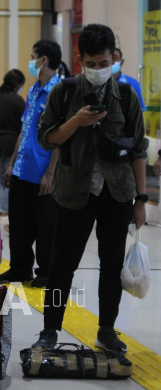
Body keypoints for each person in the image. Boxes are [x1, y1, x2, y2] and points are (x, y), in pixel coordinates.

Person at [33, 23, 148, 352]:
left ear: (114, 57)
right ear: (80, 59)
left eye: (104, 62)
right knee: (61, 266)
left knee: (111, 265)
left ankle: (107, 330)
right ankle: (50, 330)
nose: (98, 69)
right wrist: (75, 121)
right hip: (73, 193)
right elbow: (46, 139)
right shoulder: (64, 92)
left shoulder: (126, 95)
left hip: (117, 193)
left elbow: (138, 149)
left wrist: (141, 200)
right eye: (91, 64)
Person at [0, 41, 62, 288]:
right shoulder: (34, 90)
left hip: (43, 171)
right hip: (23, 168)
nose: (30, 61)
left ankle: (46, 271)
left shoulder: (58, 91)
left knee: (45, 225)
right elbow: (24, 130)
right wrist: (11, 164)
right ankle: (20, 268)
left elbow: (59, 136)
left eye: (33, 56)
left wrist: (50, 174)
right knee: (20, 221)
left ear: (43, 60)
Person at [0, 69, 26, 215]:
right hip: (11, 143)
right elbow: (24, 125)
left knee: (0, 176)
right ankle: (3, 209)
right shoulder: (17, 100)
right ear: (17, 84)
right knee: (7, 176)